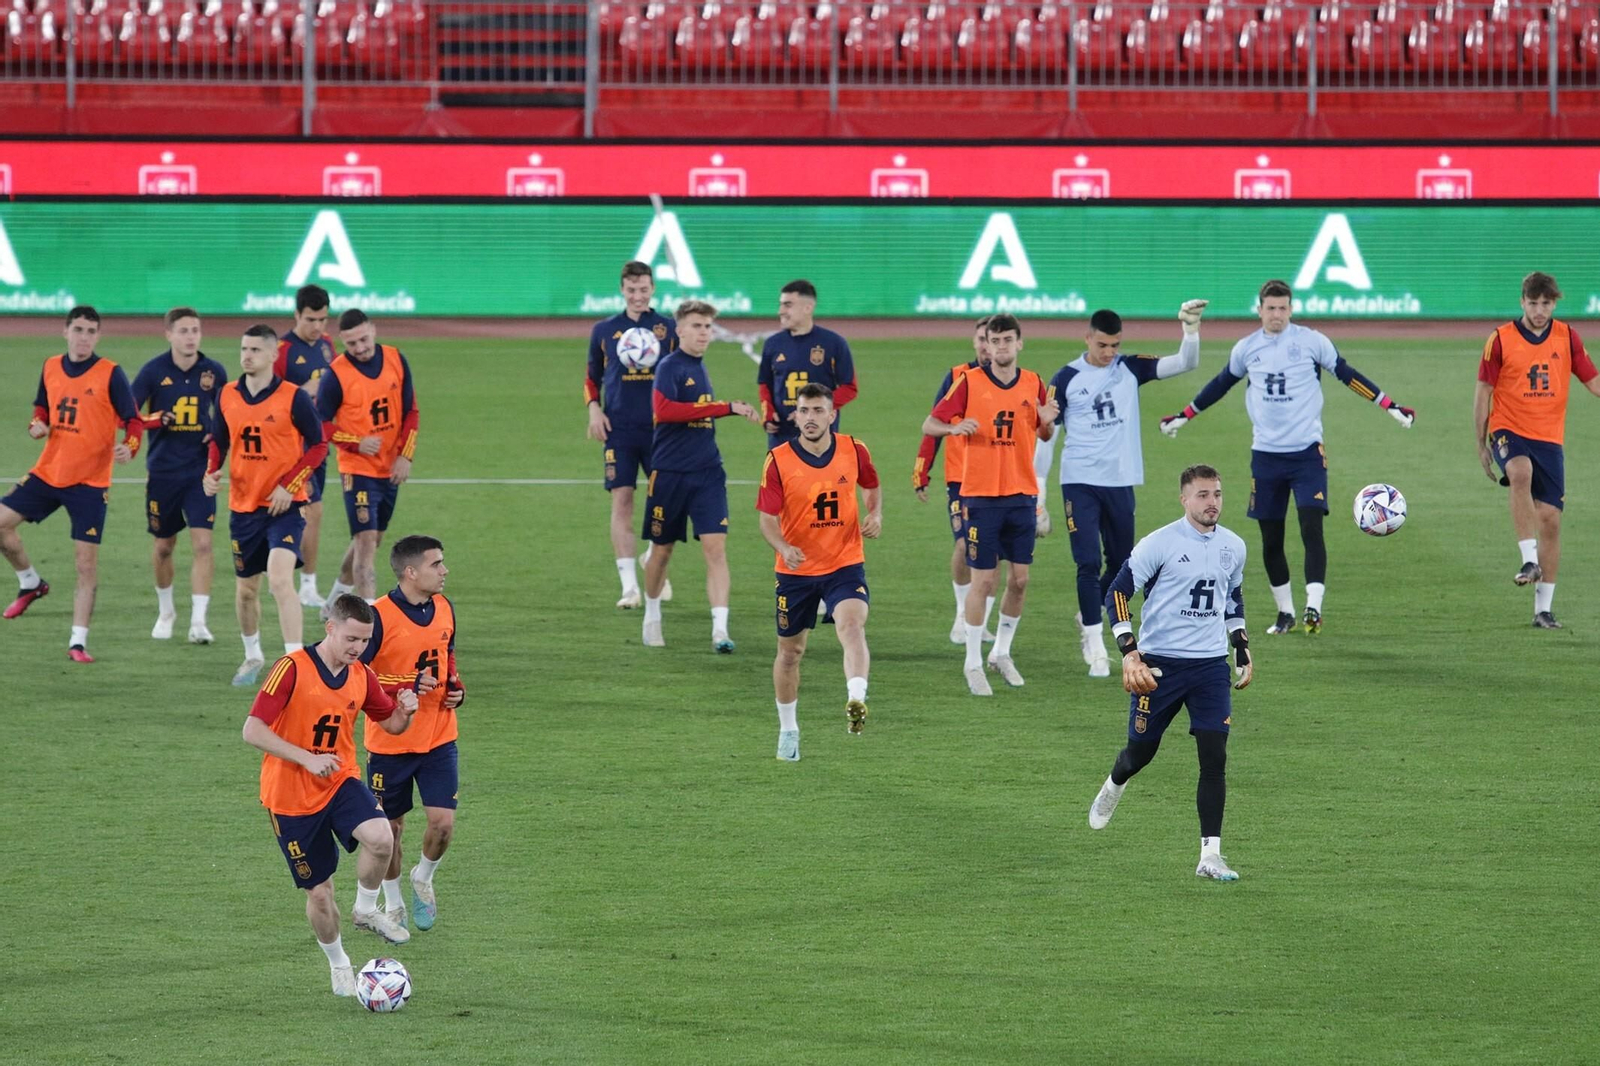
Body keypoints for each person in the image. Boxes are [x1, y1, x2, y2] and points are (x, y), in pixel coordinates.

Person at [1159, 279, 1414, 635]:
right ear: (1259, 310)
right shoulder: (1247, 348)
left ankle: (1313, 607)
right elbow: (1220, 385)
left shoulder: (1312, 342)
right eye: (1271, 308)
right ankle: (1285, 612)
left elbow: (1347, 375)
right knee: (1271, 538)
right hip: (1265, 456)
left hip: (1307, 453)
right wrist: (1184, 415)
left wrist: (1390, 405)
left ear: (1290, 310)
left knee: (1311, 526)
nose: (1276, 314)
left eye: (1282, 308)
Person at [243, 593, 419, 997]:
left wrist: (405, 712)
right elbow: (252, 729)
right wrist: (306, 758)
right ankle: (339, 963)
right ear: (330, 628)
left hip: (339, 781)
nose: (358, 648)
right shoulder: (291, 668)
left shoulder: (362, 675)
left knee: (382, 837)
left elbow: (391, 725)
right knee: (320, 894)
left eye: (365, 640)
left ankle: (365, 909)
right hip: (289, 798)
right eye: (351, 639)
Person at [1088, 464, 1254, 881]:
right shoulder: (1159, 544)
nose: (1212, 502)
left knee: (1214, 758)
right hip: (1159, 666)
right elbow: (1118, 592)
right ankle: (1115, 782)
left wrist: (1240, 646)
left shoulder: (1234, 546)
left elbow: (1232, 597)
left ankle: (1210, 856)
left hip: (1210, 666)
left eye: (1217, 494)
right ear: (1184, 499)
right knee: (1140, 754)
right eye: (1202, 495)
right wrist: (1130, 652)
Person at [1034, 302, 1207, 678]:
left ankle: (1091, 611)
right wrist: (1040, 491)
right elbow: (1047, 435)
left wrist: (1190, 329)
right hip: (1079, 481)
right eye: (1102, 345)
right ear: (1087, 339)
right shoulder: (1066, 378)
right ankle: (1095, 645)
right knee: (1087, 562)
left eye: (1115, 345)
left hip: (1120, 481)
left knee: (1121, 564)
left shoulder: (1129, 368)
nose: (1109, 352)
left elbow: (1185, 363)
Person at [920, 313, 1057, 695]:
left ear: (1019, 343)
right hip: (980, 496)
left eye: (1007, 340)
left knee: (1020, 580)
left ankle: (1001, 653)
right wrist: (953, 428)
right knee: (983, 580)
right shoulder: (968, 382)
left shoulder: (1033, 382)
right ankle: (973, 662)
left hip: (1021, 495)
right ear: (987, 345)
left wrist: (1046, 421)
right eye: (994, 341)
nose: (1001, 347)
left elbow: (1044, 434)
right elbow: (929, 424)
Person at [0, 306, 143, 662]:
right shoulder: (50, 366)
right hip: (48, 473)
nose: (84, 338)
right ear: (65, 332)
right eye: (78, 330)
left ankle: (77, 642)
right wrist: (37, 425)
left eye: (91, 331)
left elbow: (133, 420)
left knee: (85, 564)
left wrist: (130, 446)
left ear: (98, 336)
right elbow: (42, 408)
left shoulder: (110, 373)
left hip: (90, 485)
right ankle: (31, 583)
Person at [757, 383, 882, 760]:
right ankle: (788, 730)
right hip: (795, 571)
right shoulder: (778, 460)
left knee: (852, 625)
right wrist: (783, 547)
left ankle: (856, 699)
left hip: (844, 563)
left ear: (832, 415)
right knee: (790, 653)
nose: (810, 418)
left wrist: (875, 513)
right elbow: (766, 519)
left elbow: (871, 484)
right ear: (795, 416)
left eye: (817, 410)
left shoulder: (854, 449)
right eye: (804, 411)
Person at [1474, 271, 1600, 628]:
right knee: (1519, 472)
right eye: (1533, 303)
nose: (1539, 310)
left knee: (1551, 521)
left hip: (1549, 438)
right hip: (1508, 428)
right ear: (1522, 302)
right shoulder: (1500, 339)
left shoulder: (1567, 337)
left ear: (1554, 303)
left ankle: (1542, 611)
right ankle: (1528, 559)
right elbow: (1483, 391)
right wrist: (1480, 444)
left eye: (1546, 303)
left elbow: (1593, 381)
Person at [205, 325, 327, 686]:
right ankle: (252, 655)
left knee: (279, 579)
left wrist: (290, 485)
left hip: (285, 508)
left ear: (274, 355)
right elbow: (219, 440)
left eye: (256, 350)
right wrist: (211, 471)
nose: (247, 355)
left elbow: (318, 445)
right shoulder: (227, 395)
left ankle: (296, 664)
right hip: (243, 509)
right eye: (244, 349)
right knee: (246, 591)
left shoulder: (293, 397)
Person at [641, 299, 763, 651]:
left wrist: (721, 409)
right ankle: (652, 616)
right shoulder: (669, 367)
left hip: (708, 472)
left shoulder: (700, 366)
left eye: (708, 327)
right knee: (662, 551)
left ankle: (720, 631)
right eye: (697, 326)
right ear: (679, 330)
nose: (704, 333)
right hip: (670, 474)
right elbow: (665, 411)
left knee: (716, 549)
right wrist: (725, 408)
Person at [360, 535, 464, 932]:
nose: (444, 570)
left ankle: (423, 877)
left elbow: (447, 655)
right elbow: (359, 675)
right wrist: (403, 683)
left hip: (439, 736)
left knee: (443, 825)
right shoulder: (378, 617)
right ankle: (394, 901)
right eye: (436, 564)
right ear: (411, 572)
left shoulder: (444, 607)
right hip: (390, 742)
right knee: (391, 830)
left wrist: (456, 686)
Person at [133, 307, 229, 644]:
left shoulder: (214, 371)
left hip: (201, 473)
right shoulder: (153, 371)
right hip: (163, 473)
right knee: (163, 546)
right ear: (169, 335)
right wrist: (156, 419)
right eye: (184, 331)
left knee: (203, 544)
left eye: (195, 330)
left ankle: (199, 622)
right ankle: (166, 612)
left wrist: (216, 433)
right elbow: (128, 414)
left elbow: (230, 413)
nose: (191, 337)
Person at [586, 261, 677, 609]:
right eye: (631, 290)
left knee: (664, 503)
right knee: (622, 502)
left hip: (661, 430)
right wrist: (594, 408)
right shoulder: (604, 330)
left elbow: (681, 371)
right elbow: (591, 376)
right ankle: (629, 588)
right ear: (622, 290)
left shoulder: (668, 328)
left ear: (653, 289)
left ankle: (652, 557)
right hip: (619, 430)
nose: (638, 296)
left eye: (643, 289)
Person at [316, 309, 420, 610]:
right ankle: (369, 617)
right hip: (357, 469)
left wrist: (405, 455)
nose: (360, 348)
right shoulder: (336, 375)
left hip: (390, 468)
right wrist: (356, 442)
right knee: (365, 542)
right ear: (342, 341)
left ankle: (334, 601)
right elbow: (319, 424)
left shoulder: (396, 359)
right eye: (351, 343)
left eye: (363, 339)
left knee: (373, 539)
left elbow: (411, 412)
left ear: (373, 330)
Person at [913, 317, 1000, 645]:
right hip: (961, 480)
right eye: (981, 339)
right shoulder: (957, 377)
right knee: (964, 544)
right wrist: (922, 470)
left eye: (992, 339)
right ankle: (962, 614)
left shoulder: (1013, 381)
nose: (986, 346)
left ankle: (981, 620)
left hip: (999, 479)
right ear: (975, 342)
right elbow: (934, 422)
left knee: (995, 551)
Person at [275, 284, 338, 609]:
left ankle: (291, 579)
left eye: (323, 319)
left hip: (319, 443)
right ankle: (307, 586)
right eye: (311, 319)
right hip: (293, 448)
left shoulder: (327, 345)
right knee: (313, 511)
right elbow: (264, 398)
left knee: (304, 513)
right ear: (297, 315)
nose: (318, 326)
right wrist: (303, 389)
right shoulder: (282, 351)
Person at [756, 280, 857, 452]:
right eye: (781, 305)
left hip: (820, 440)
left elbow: (849, 388)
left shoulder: (834, 343)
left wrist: (813, 412)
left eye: (788, 305)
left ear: (808, 308)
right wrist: (768, 413)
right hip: (781, 438)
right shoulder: (772, 344)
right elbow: (765, 384)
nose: (781, 311)